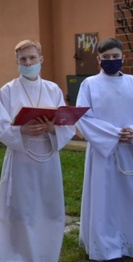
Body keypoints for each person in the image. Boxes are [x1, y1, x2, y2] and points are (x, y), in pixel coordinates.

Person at [0, 39, 75, 261]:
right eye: (23, 59)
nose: (28, 62)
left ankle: (46, 254)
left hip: (48, 158)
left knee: (49, 209)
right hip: (21, 158)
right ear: (17, 62)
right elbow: (0, 128)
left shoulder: (53, 89)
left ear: (41, 59)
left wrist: (52, 128)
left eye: (32, 58)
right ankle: (18, 255)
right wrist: (23, 130)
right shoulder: (8, 91)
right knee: (22, 211)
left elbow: (67, 125)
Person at [75, 37, 133, 261]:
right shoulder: (89, 84)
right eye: (106, 58)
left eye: (115, 57)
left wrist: (132, 132)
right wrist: (114, 135)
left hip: (130, 150)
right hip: (103, 151)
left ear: (123, 58)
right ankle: (106, 245)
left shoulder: (131, 82)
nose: (111, 61)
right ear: (98, 59)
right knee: (105, 199)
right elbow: (83, 117)